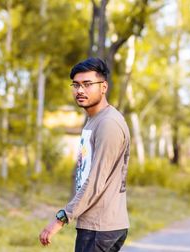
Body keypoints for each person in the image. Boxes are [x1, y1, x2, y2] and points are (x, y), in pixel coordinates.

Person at [39, 57, 130, 252]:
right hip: (97, 223)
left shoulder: (108, 124)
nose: (80, 90)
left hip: (100, 226)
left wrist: (62, 218)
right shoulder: (94, 120)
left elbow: (96, 180)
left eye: (87, 84)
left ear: (103, 87)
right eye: (76, 85)